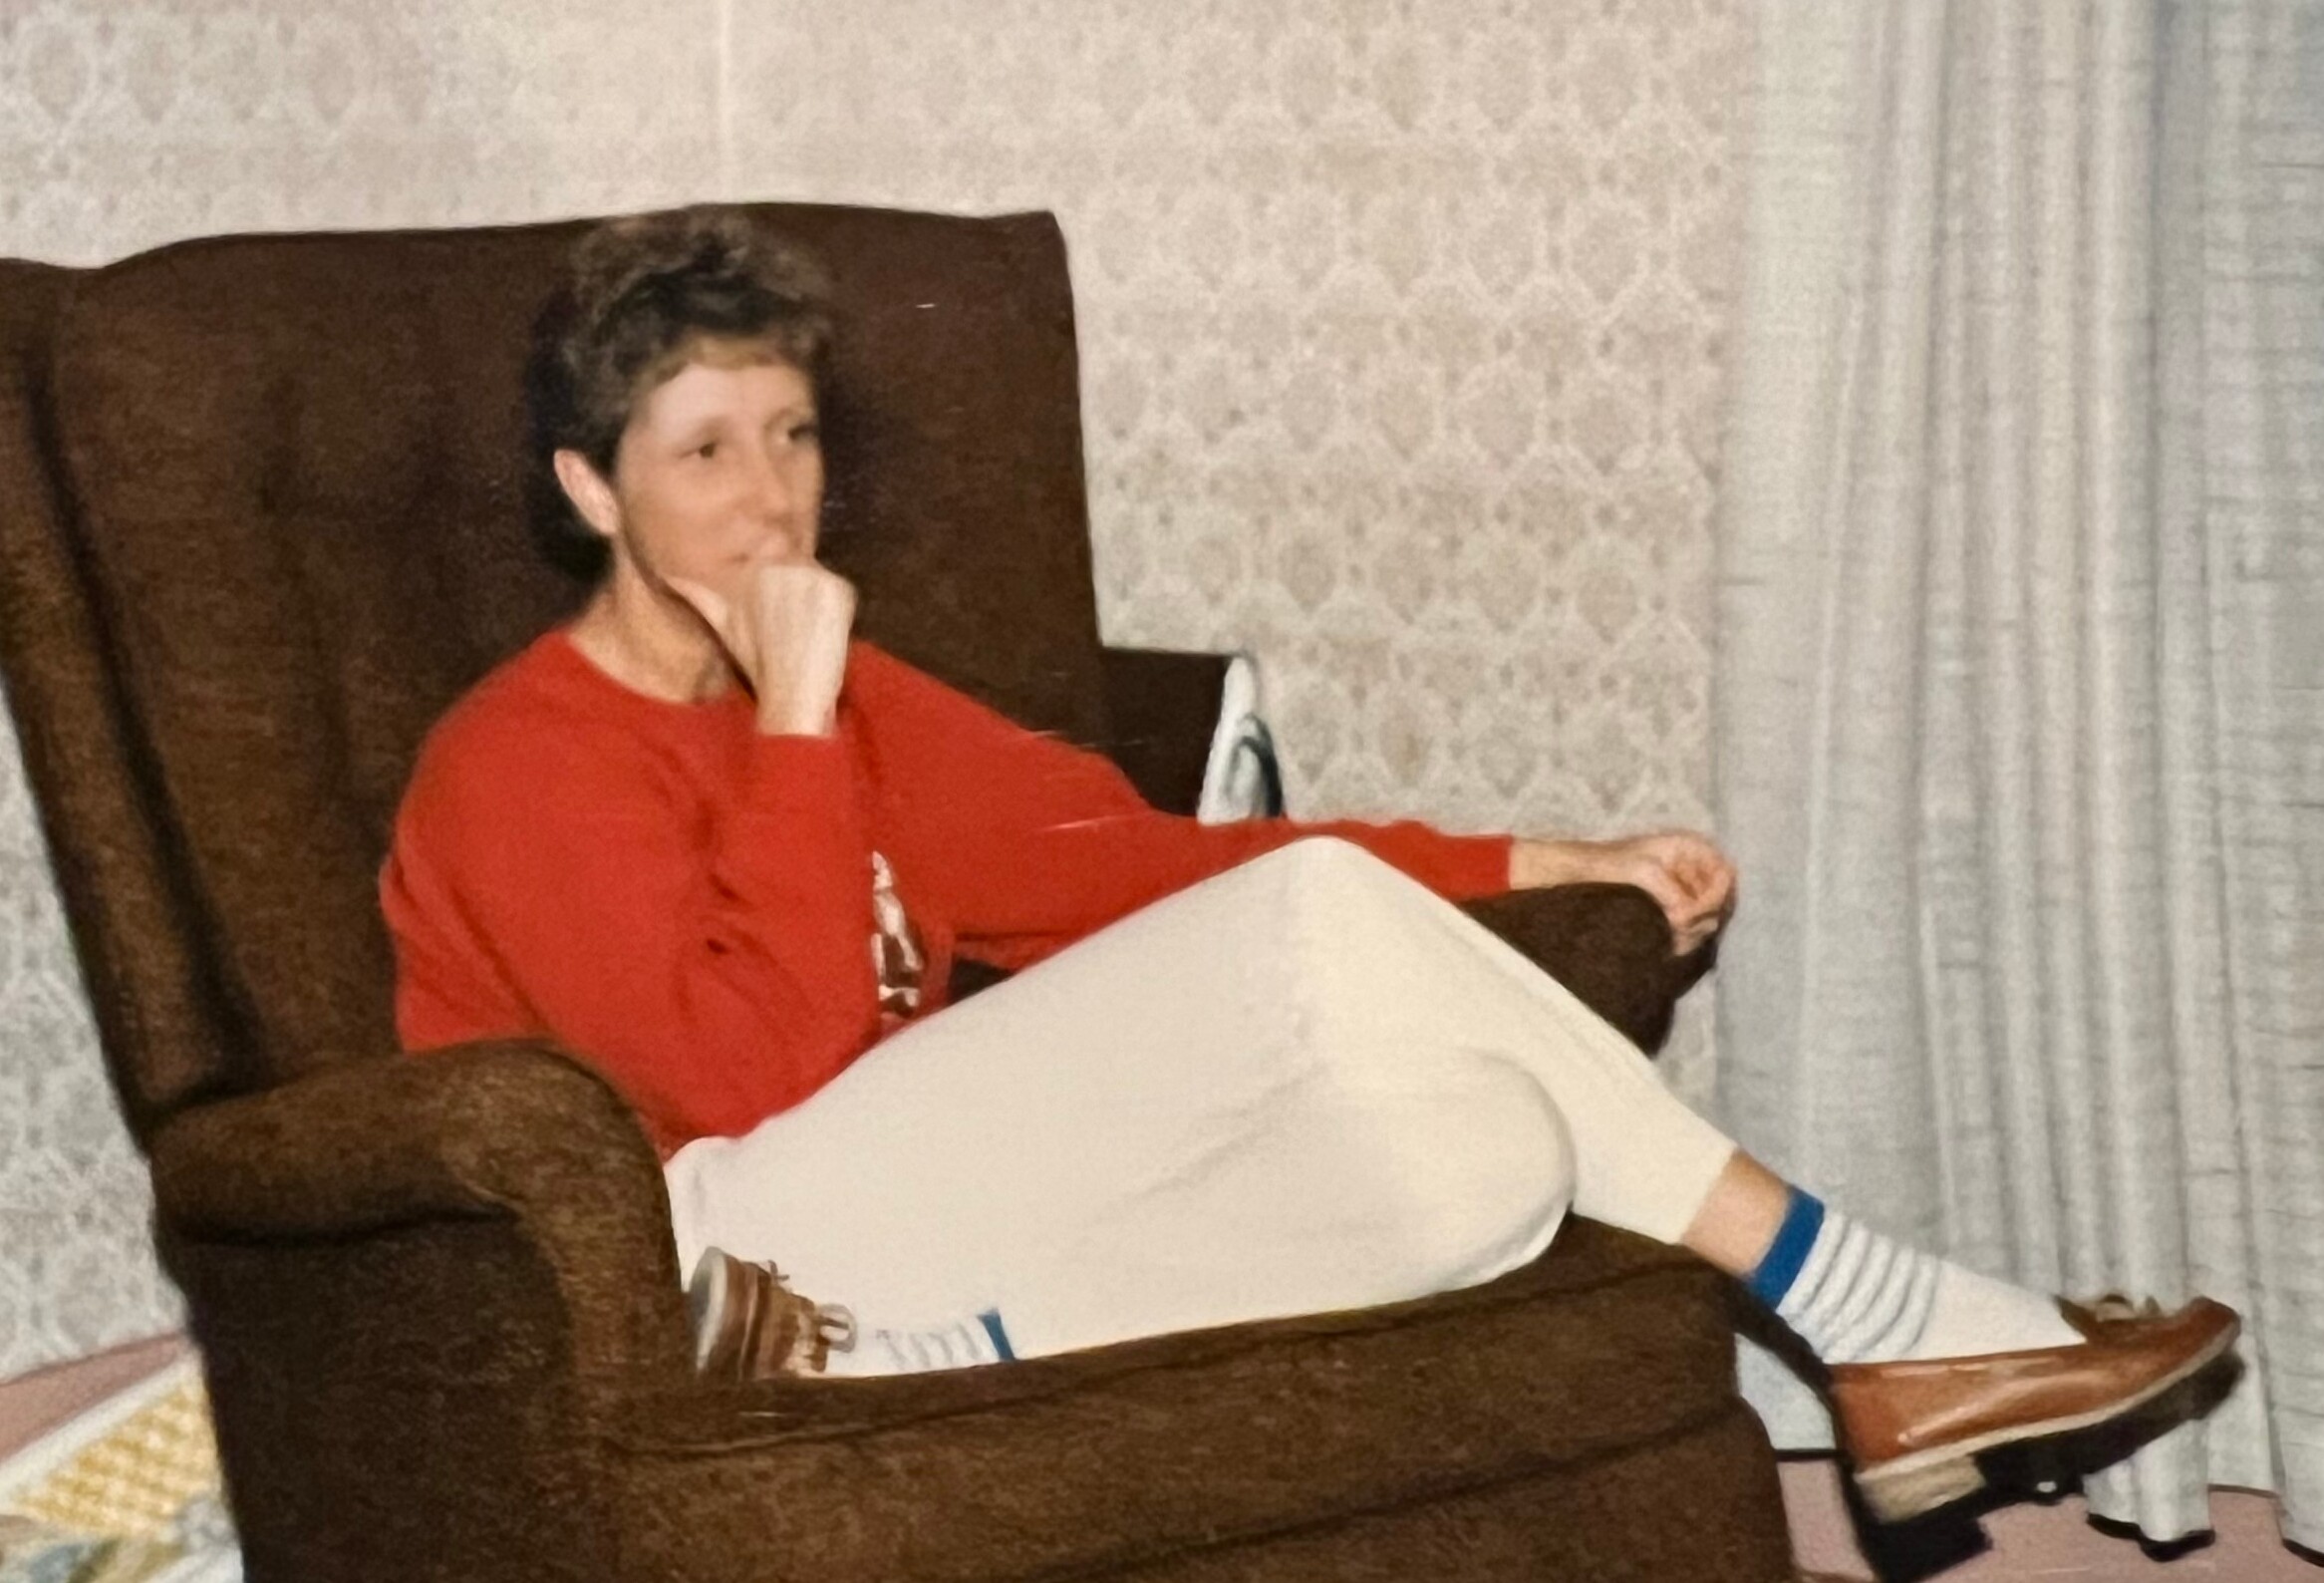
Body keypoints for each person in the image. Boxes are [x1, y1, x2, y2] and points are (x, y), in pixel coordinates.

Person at [381, 207, 2237, 1525]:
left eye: (790, 435)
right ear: (593, 490)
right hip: (705, 1258)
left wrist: (1538, 855)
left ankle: (938, 1355)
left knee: (1486, 1159)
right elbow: (744, 1081)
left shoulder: (853, 694)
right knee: (1319, 925)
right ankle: (1874, 1308)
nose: (771, 496)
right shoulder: (520, 763)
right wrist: (796, 726)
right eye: (704, 450)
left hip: (883, 1271)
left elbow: (1141, 866)